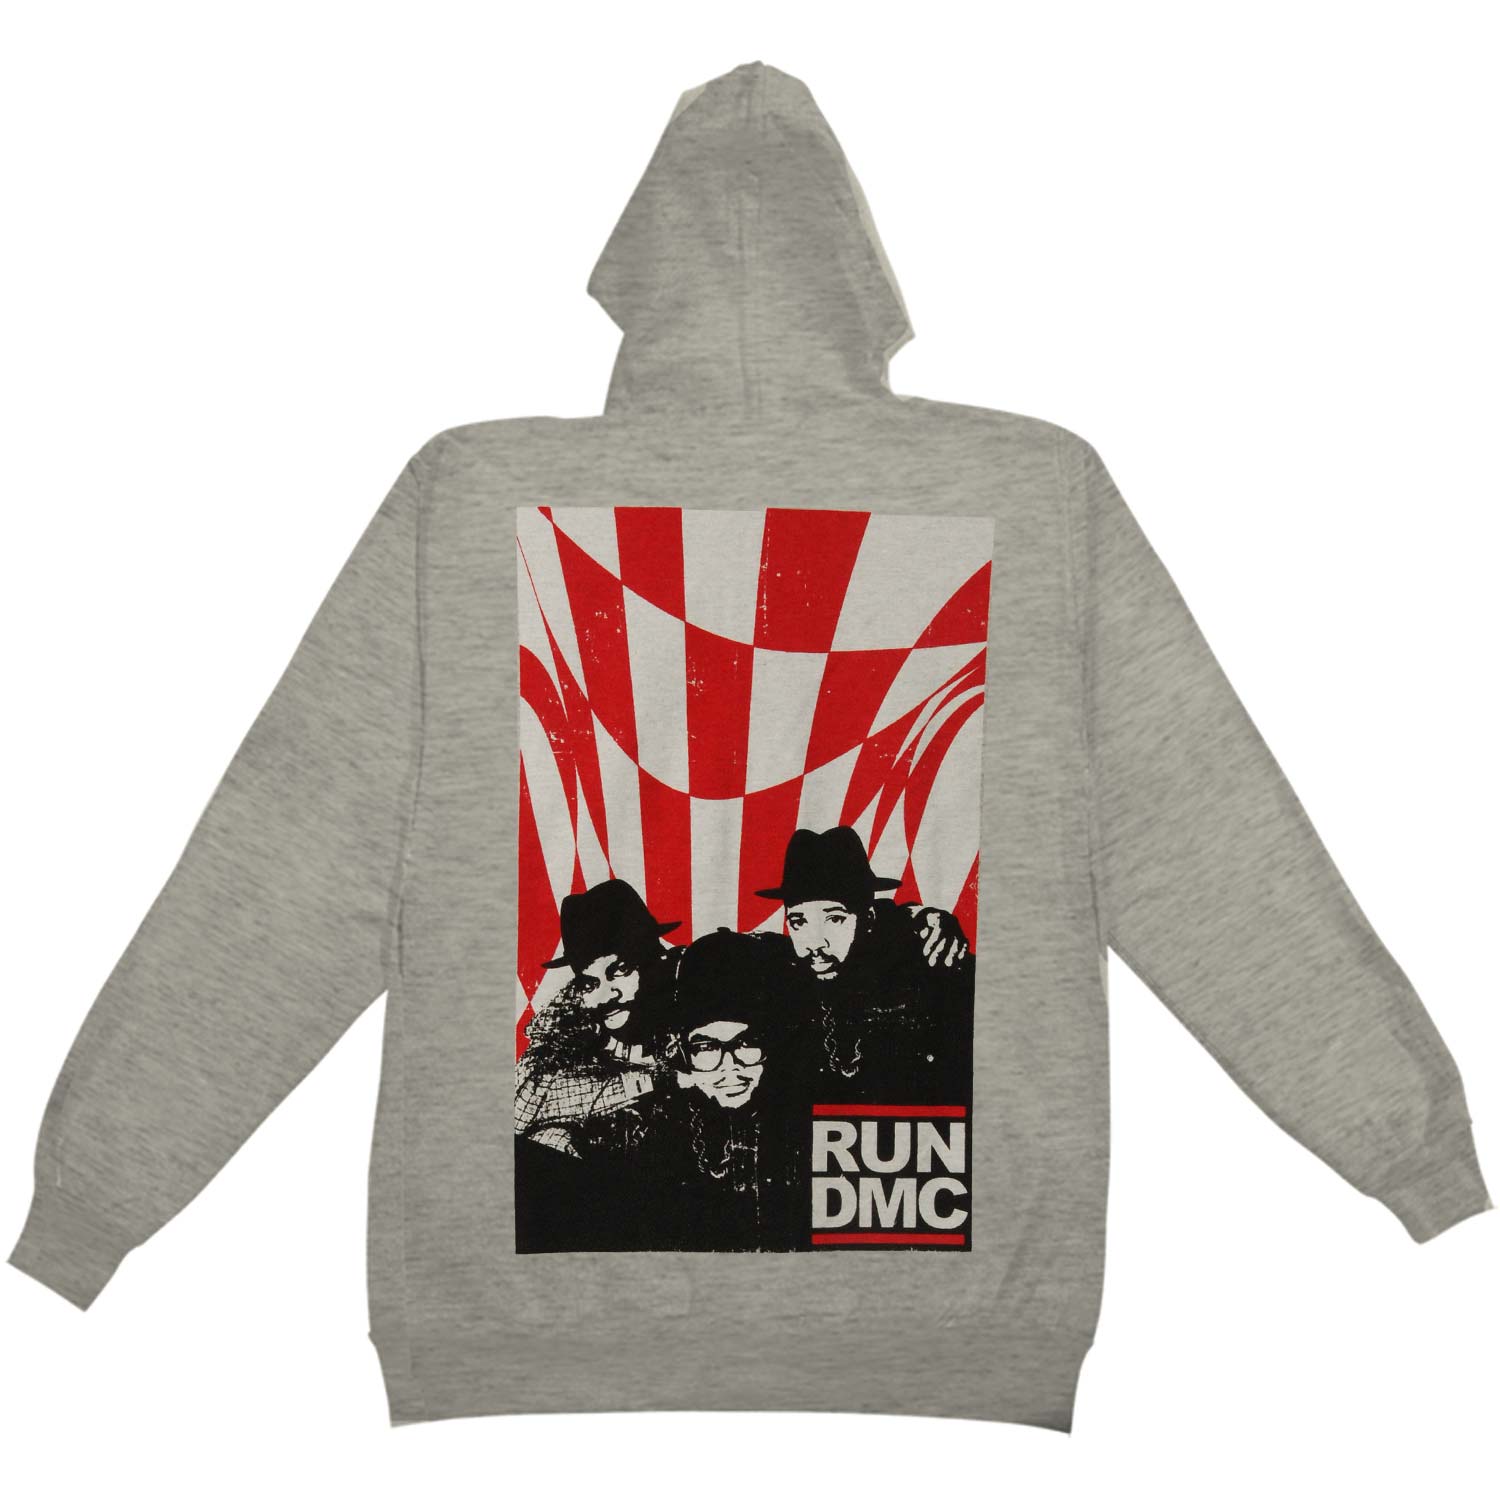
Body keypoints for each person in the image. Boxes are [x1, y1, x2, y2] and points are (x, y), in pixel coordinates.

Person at [599, 928, 806, 1251]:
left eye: (747, 1043)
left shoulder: (801, 1118)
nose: (730, 1067)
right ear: (683, 1052)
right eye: (707, 1048)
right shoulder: (656, 1131)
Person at [754, 826, 975, 1104]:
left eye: (834, 919)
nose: (814, 943)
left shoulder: (924, 964)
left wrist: (919, 916)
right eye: (798, 922)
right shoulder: (782, 968)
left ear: (868, 919)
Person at [514, 878, 683, 1155]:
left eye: (620, 971)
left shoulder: (691, 998)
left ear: (652, 962)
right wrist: (655, 1082)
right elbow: (520, 1110)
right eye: (589, 984)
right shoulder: (567, 1024)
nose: (605, 996)